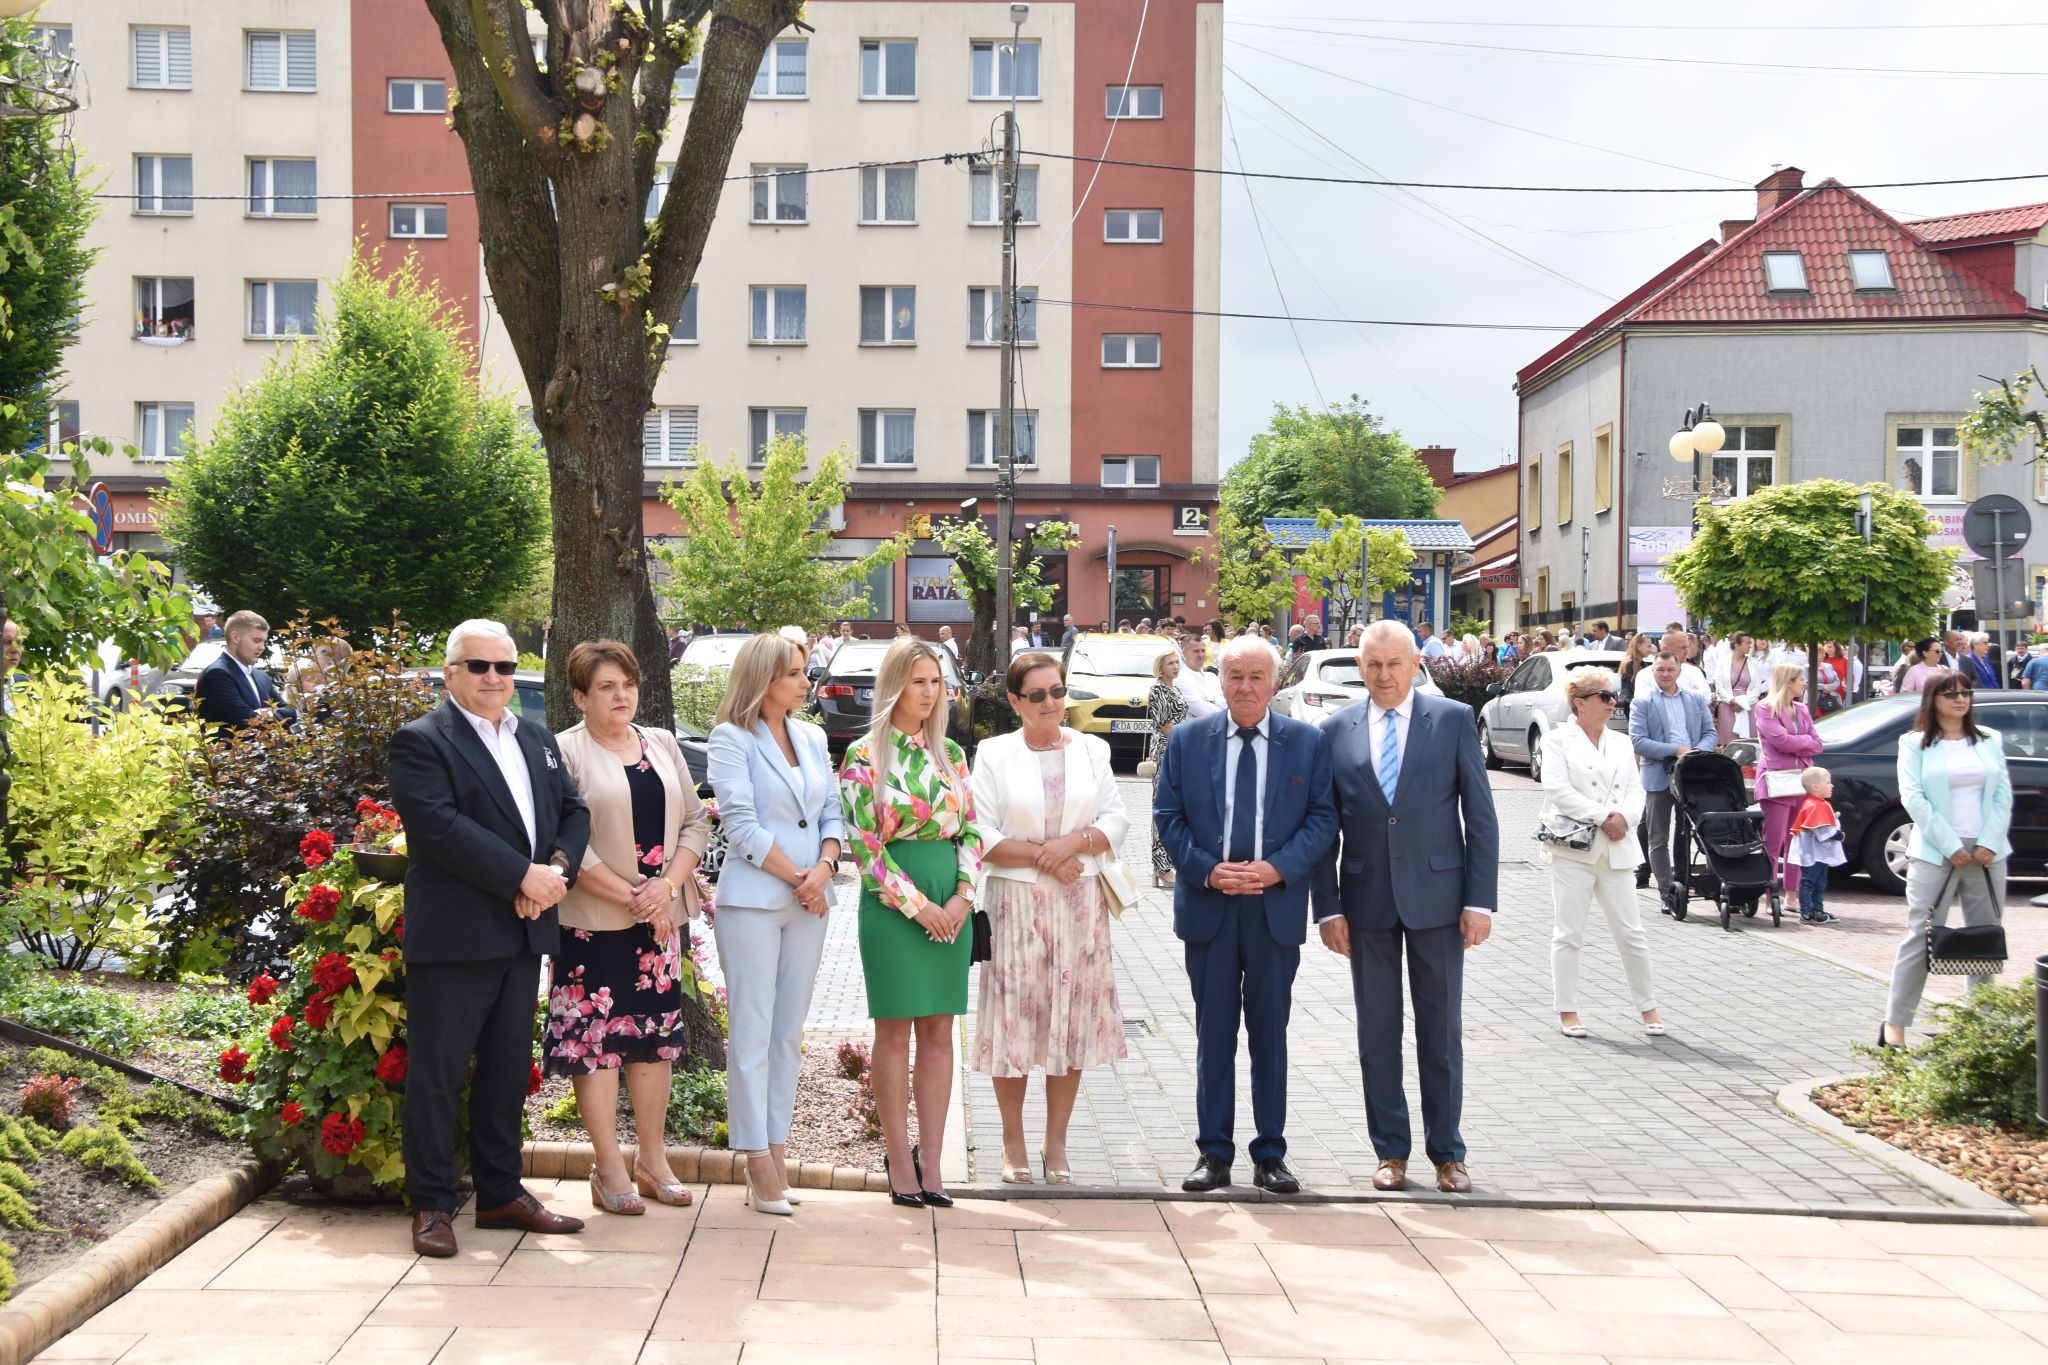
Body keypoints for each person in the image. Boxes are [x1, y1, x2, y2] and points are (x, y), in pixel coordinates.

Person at [388, 619, 592, 1257]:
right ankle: (431, 1203)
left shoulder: (535, 737)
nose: (494, 678)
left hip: (524, 928)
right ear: (451, 674)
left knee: (505, 1072)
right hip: (456, 934)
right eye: (479, 666)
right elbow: (439, 827)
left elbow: (573, 811)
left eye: (504, 666)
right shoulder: (422, 741)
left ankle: (501, 1193)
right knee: (439, 1073)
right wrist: (521, 876)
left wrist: (554, 872)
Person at [1311, 621, 1497, 1194]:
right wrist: (1327, 908)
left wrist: (1479, 901)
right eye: (1373, 664)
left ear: (1417, 664)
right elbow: (1322, 828)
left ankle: (1448, 1154)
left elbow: (1481, 817)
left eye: (1395, 663)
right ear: (1360, 667)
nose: (1384, 675)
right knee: (1377, 1033)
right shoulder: (1334, 730)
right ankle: (1390, 1151)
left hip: (1440, 902)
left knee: (1440, 1033)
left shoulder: (1453, 720)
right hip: (1365, 903)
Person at [1154, 636, 1336, 1195]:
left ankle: (1270, 1153)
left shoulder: (1307, 742)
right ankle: (1214, 1153)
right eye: (1235, 675)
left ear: (1275, 682)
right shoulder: (1188, 740)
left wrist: (1278, 869)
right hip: (1210, 906)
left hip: (1272, 910)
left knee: (1269, 1034)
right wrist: (1207, 871)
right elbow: (1167, 815)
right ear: (1219, 680)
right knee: (1214, 1033)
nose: (1246, 687)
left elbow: (1323, 819)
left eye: (1257, 676)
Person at [547, 641, 709, 1215]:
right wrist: (638, 899)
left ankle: (653, 1161)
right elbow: (567, 841)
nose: (621, 695)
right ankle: (608, 1168)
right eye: (606, 687)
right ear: (579, 696)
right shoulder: (563, 751)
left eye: (628, 684)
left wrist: (666, 889)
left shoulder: (660, 742)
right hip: (590, 927)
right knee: (595, 1047)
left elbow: (695, 822)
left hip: (657, 926)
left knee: (652, 1043)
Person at [969, 654, 1130, 1184]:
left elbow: (1116, 818)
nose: (1050, 703)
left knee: (1072, 1020)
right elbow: (981, 832)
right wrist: (1048, 856)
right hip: (1015, 903)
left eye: (1057, 692)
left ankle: (1055, 1141)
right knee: (1013, 1022)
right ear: (1014, 701)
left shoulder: (1091, 748)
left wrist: (1073, 844)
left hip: (1080, 901)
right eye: (1036, 695)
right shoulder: (993, 753)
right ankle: (1012, 1140)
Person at [838, 639, 985, 1208]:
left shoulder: (952, 754)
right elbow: (865, 847)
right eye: (918, 681)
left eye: (936, 682)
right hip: (893, 907)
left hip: (952, 902)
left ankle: (934, 1160)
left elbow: (972, 831)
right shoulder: (863, 756)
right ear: (894, 685)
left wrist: (962, 898)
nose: (929, 692)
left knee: (940, 1031)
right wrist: (920, 906)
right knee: (895, 1031)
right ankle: (899, 1158)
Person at [707, 633, 843, 1216]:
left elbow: (833, 812)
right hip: (755, 901)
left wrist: (826, 869)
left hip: (810, 900)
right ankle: (756, 1157)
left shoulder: (812, 736)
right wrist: (800, 877)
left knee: (788, 1032)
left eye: (804, 671)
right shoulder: (730, 738)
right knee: (753, 1031)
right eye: (793, 673)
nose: (804, 682)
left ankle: (778, 1151)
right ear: (763, 679)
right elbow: (740, 824)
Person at [1883, 672, 2011, 1049]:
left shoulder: (1989, 739)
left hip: (1987, 854)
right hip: (1936, 851)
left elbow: (2003, 795)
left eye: (1965, 693)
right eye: (1950, 694)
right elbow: (1913, 797)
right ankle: (1895, 1025)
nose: (1960, 699)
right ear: (1932, 699)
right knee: (1920, 937)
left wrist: (1989, 841)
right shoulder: (1914, 743)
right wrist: (1951, 844)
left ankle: (1980, 1028)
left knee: (1984, 937)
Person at [1539, 671, 1663, 1039]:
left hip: (1617, 847)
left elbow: (1636, 790)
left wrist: (1625, 818)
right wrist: (1603, 817)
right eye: (1604, 696)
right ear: (1580, 702)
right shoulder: (1557, 740)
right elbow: (1557, 789)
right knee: (1569, 933)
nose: (1613, 703)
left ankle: (1648, 1007)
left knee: (1631, 933)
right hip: (1574, 849)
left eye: (1614, 696)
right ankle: (1568, 1009)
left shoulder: (1621, 743)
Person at [1630, 653, 1717, 906]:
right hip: (1659, 775)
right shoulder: (1643, 702)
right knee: (1658, 836)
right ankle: (1667, 892)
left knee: (1687, 832)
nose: (1665, 674)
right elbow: (1638, 741)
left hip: (1691, 775)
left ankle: (1683, 881)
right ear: (1653, 671)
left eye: (1670, 669)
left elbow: (1710, 733)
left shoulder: (1695, 699)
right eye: (1660, 670)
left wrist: (1696, 752)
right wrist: (1676, 751)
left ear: (1680, 671)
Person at [1755, 662, 1824, 906]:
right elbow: (1779, 741)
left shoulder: (1801, 709)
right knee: (1773, 842)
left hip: (1802, 779)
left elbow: (1817, 744)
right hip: (1777, 779)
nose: (1804, 683)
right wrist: (1800, 741)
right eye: (1800, 679)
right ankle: (1770, 895)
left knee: (1797, 839)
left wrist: (1794, 739)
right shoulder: (1765, 708)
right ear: (1788, 682)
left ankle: (1792, 895)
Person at [194, 610, 295, 736]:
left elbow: (291, 713)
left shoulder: (261, 676)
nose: (262, 647)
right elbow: (245, 721)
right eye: (256, 640)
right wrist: (270, 713)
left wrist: (259, 714)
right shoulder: (217, 674)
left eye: (264, 641)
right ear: (235, 637)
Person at [1145, 648, 1191, 888]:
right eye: (1170, 663)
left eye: (1176, 662)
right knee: (1162, 804)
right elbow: (1165, 725)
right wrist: (1185, 746)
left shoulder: (1175, 688)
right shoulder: (1158, 690)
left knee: (1177, 806)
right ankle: (1160, 866)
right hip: (1165, 749)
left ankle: (1172, 861)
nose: (1175, 666)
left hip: (1178, 748)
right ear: (1160, 667)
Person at [1787, 766, 1845, 926]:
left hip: (1819, 854)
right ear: (1815, 787)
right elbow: (1821, 830)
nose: (1832, 785)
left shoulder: (1819, 803)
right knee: (1809, 882)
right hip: (1812, 855)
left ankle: (1818, 910)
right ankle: (1806, 912)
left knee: (1820, 883)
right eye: (1828, 782)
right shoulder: (1813, 805)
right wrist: (1839, 835)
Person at [1708, 632, 1764, 745]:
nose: (1750, 646)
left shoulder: (1752, 662)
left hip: (1749, 706)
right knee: (1729, 742)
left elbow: (1757, 686)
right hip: (1728, 706)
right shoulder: (1723, 662)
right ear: (1737, 645)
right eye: (1747, 643)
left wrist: (1744, 702)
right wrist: (1732, 700)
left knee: (1749, 743)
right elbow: (1718, 686)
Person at [1630, 629, 1709, 702]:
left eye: (1687, 647)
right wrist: (1691, 694)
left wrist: (1662, 696)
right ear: (1666, 649)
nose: (1687, 651)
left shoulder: (1694, 671)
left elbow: (1706, 698)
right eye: (1683, 647)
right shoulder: (1645, 675)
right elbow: (1643, 703)